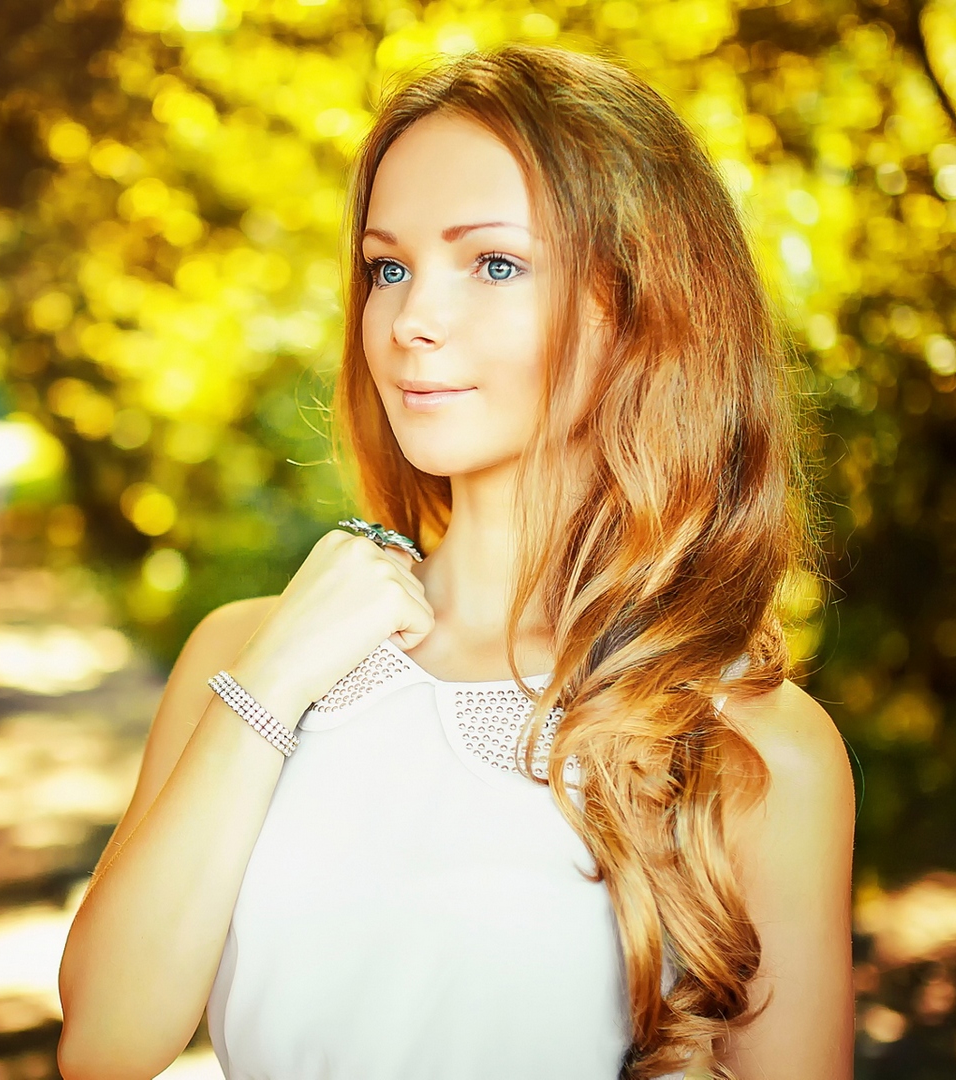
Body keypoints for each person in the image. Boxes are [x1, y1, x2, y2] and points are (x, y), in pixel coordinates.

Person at [57, 43, 856, 1080]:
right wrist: (274, 678)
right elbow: (104, 1045)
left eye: (494, 264)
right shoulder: (245, 653)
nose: (410, 321)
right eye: (388, 268)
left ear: (639, 307)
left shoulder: (752, 746)